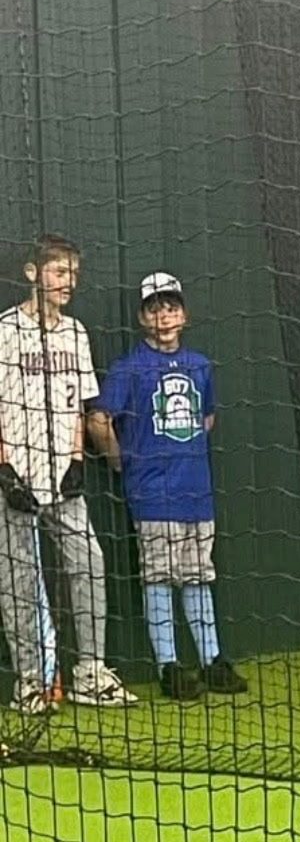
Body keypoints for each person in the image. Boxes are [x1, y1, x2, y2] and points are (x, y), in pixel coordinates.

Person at [87, 272, 249, 700]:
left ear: (185, 313)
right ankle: (169, 667)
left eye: (171, 305)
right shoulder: (129, 368)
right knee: (159, 576)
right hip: (153, 493)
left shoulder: (199, 365)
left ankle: (212, 661)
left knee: (198, 574)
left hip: (197, 491)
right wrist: (120, 459)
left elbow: (208, 417)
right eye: (155, 307)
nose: (165, 314)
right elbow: (99, 419)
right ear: (143, 317)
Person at [0, 233, 138, 709]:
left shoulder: (75, 333)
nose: (69, 283)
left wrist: (78, 460)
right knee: (18, 582)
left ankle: (90, 673)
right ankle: (32, 684)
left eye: (74, 275)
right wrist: (4, 468)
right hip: (16, 477)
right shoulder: (5, 331)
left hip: (65, 478)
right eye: (61, 273)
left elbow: (79, 405)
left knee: (89, 564)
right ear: (33, 273)